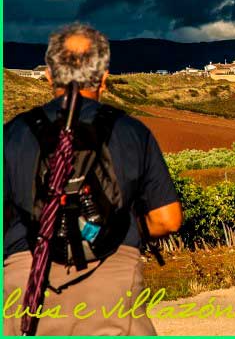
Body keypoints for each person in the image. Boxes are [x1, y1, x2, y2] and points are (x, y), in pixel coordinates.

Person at [3, 24, 183, 335]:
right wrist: (129, 227)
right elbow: (168, 220)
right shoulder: (132, 132)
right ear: (104, 78)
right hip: (112, 288)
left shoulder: (12, 134)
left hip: (26, 287)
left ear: (49, 75)